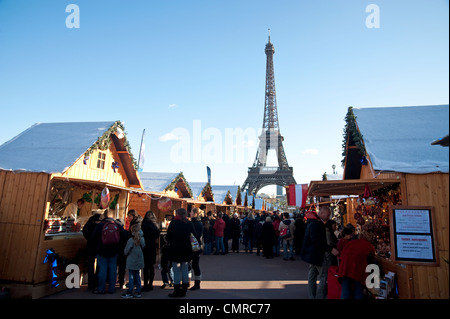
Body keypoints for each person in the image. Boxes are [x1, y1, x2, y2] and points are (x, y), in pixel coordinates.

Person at [300, 207, 339, 299]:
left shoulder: (312, 222)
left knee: (312, 276)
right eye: (328, 215)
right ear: (323, 213)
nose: (328, 217)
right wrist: (330, 249)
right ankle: (319, 297)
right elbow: (317, 241)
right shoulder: (317, 224)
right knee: (323, 276)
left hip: (312, 255)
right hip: (319, 255)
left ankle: (312, 296)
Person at [92, 209, 126, 294]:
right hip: (114, 250)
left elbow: (93, 237)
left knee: (102, 270)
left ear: (104, 215)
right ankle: (112, 288)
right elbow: (124, 236)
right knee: (113, 269)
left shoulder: (100, 225)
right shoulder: (117, 225)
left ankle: (101, 288)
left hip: (102, 250)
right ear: (113, 216)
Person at [166, 208, 196, 297]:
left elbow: (168, 236)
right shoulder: (189, 223)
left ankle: (176, 290)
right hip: (186, 250)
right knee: (185, 269)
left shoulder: (174, 223)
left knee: (176, 270)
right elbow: (194, 235)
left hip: (175, 249)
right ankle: (184, 290)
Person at [338, 229, 376, 299]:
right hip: (358, 270)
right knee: (358, 292)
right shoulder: (369, 246)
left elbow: (342, 256)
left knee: (345, 293)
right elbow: (371, 261)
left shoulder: (352, 242)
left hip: (345, 269)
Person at [121, 223, 145, 298]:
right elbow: (144, 246)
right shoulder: (142, 239)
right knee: (137, 275)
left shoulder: (131, 240)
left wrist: (125, 253)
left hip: (131, 259)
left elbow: (126, 250)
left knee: (131, 276)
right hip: (139, 259)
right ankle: (138, 291)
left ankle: (130, 291)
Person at [82, 210, 102, 291]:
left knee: (90, 263)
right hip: (100, 246)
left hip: (90, 245)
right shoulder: (101, 223)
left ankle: (90, 283)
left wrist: (89, 239)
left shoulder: (90, 222)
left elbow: (85, 231)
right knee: (99, 265)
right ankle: (97, 282)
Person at [141, 211, 160, 291]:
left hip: (144, 246)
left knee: (145, 266)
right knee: (151, 266)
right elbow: (157, 236)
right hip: (152, 246)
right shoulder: (156, 225)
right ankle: (150, 284)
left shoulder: (144, 224)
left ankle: (145, 284)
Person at [189, 207, 203, 290]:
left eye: (191, 212)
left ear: (195, 214)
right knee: (194, 265)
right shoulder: (199, 223)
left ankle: (196, 283)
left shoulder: (194, 223)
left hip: (194, 246)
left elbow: (194, 235)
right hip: (197, 246)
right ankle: (196, 282)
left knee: (194, 265)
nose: (190, 213)